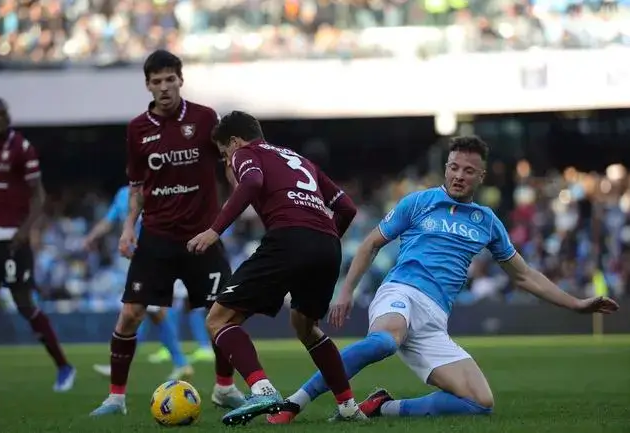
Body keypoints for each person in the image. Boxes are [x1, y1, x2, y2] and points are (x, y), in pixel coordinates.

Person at [268, 135, 620, 424]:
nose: (459, 175)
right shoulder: (420, 202)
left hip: (435, 319)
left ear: (481, 177)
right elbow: (371, 243)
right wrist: (346, 291)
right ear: (446, 168)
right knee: (384, 342)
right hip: (401, 292)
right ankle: (295, 403)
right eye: (453, 167)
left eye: (468, 170)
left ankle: (382, 407)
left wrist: (576, 304)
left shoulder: (487, 222)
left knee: (480, 403)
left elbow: (524, 275)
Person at [90, 50, 244, 416]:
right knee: (130, 313)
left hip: (202, 236)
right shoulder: (136, 129)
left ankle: (225, 388)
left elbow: (229, 163)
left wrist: (238, 194)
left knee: (224, 313)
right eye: (156, 81)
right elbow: (137, 186)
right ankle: (115, 398)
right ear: (148, 85)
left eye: (169, 79)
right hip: (156, 236)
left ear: (180, 80)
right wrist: (128, 228)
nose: (163, 87)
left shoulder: (206, 118)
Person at [186, 111, 365, 426]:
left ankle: (261, 387)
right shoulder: (299, 159)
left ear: (234, 141)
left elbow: (252, 181)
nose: (228, 161)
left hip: (288, 238)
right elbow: (347, 207)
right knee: (305, 326)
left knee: (217, 319)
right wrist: (321, 240)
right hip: (327, 244)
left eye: (224, 154)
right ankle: (348, 405)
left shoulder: (246, 153)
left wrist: (215, 230)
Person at [0, 98, 76, 393]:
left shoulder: (22, 148)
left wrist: (24, 230)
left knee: (24, 305)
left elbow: (39, 195)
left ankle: (64, 366)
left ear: (8, 117)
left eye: (0, 115)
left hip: (12, 241)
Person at [84, 185, 193, 380]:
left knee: (140, 310)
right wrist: (92, 236)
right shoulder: (122, 194)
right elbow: (110, 220)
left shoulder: (158, 189)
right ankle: (180, 363)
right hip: (137, 260)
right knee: (151, 312)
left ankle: (118, 364)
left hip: (154, 257)